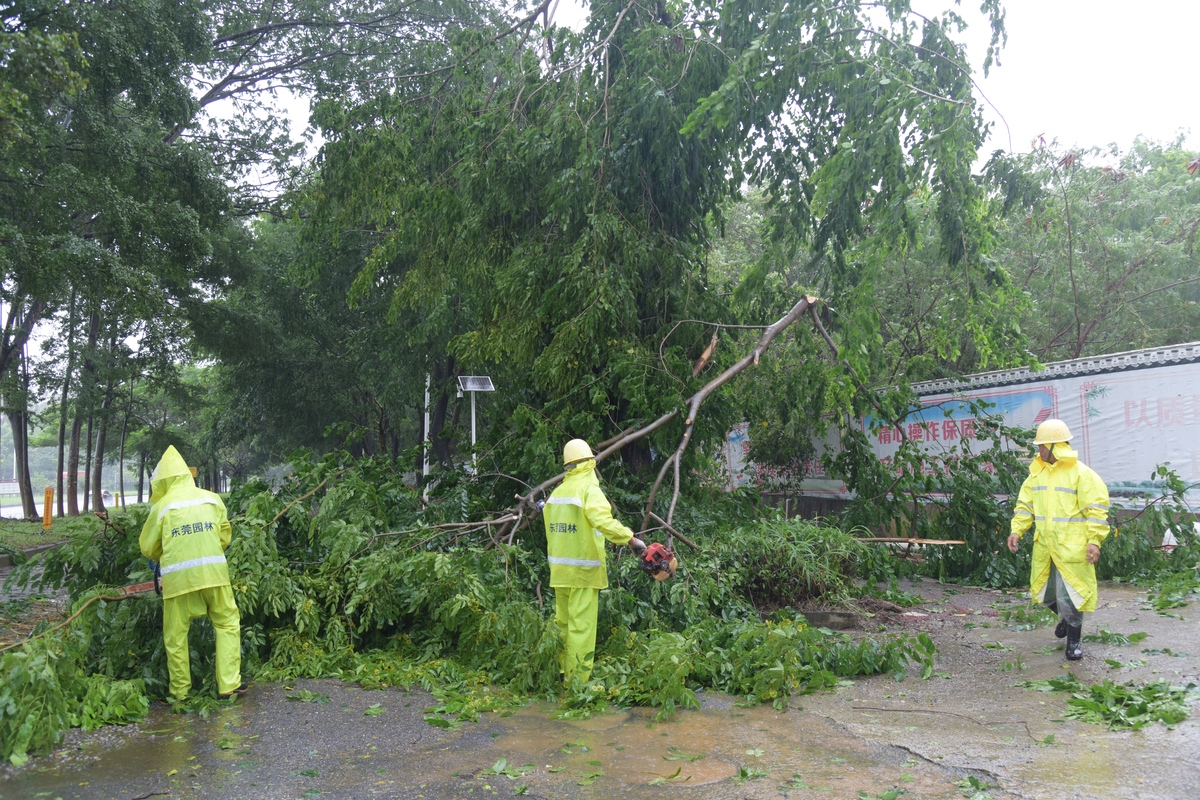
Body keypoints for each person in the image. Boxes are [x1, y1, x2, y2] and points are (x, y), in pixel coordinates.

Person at [139, 446, 245, 702]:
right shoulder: (211, 499)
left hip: (178, 581)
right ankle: (229, 685)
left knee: (175, 637)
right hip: (215, 575)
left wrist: (164, 557)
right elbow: (224, 536)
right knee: (227, 624)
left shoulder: (162, 507)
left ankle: (180, 692)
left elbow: (148, 547)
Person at [542, 439, 645, 683]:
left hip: (560, 573)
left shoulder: (557, 493)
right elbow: (603, 522)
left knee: (563, 625)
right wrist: (631, 540)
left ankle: (561, 673)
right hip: (584, 572)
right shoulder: (589, 490)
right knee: (581, 629)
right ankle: (577, 683)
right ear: (590, 462)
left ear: (567, 465)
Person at [1007, 419, 1110, 661]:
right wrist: (1016, 530)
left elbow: (1096, 510)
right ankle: (1063, 617)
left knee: (1073, 595)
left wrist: (1094, 541)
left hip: (1073, 549)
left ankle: (1074, 643)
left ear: (1054, 446)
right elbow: (1025, 506)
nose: (1039, 450)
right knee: (1044, 594)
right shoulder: (1037, 474)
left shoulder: (1081, 474)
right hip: (1046, 547)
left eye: (1042, 446)